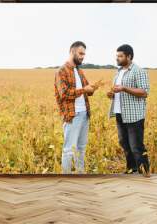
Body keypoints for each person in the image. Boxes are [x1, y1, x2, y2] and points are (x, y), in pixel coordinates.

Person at [107, 44, 151, 177]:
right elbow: (119, 92)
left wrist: (124, 88)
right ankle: (132, 170)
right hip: (120, 114)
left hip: (134, 116)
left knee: (136, 147)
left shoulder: (139, 71)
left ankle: (145, 172)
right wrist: (112, 95)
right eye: (117, 56)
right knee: (124, 144)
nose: (117, 58)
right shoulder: (119, 72)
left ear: (129, 56)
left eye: (120, 56)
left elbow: (144, 92)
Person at [54, 41, 98, 174]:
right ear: (72, 52)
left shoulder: (79, 71)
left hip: (84, 114)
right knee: (68, 150)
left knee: (81, 148)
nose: (82, 57)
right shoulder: (61, 71)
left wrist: (92, 88)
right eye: (80, 53)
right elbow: (64, 94)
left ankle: (80, 174)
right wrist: (84, 89)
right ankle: (66, 178)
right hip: (72, 115)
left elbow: (86, 90)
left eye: (84, 54)